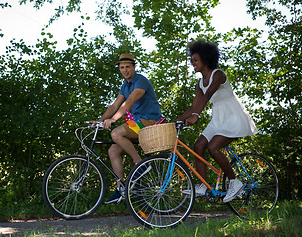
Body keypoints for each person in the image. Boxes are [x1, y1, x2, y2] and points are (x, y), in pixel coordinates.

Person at [176, 39, 258, 203]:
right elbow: (194, 106)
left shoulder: (218, 74)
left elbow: (207, 96)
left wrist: (196, 116)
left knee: (213, 147)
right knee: (198, 145)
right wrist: (175, 121)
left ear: (206, 59)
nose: (193, 64)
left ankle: (235, 182)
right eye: (192, 60)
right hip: (218, 118)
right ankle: (203, 185)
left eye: (196, 60)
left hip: (234, 117)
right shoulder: (200, 83)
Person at [96, 53, 162, 204]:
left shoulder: (141, 81)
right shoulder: (125, 86)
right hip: (137, 123)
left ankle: (140, 164)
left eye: (127, 67)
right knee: (113, 150)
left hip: (151, 122)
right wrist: (100, 121)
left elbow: (130, 101)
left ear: (134, 67)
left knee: (116, 133)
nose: (125, 70)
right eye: (122, 67)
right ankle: (122, 188)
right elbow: (115, 105)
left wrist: (113, 120)